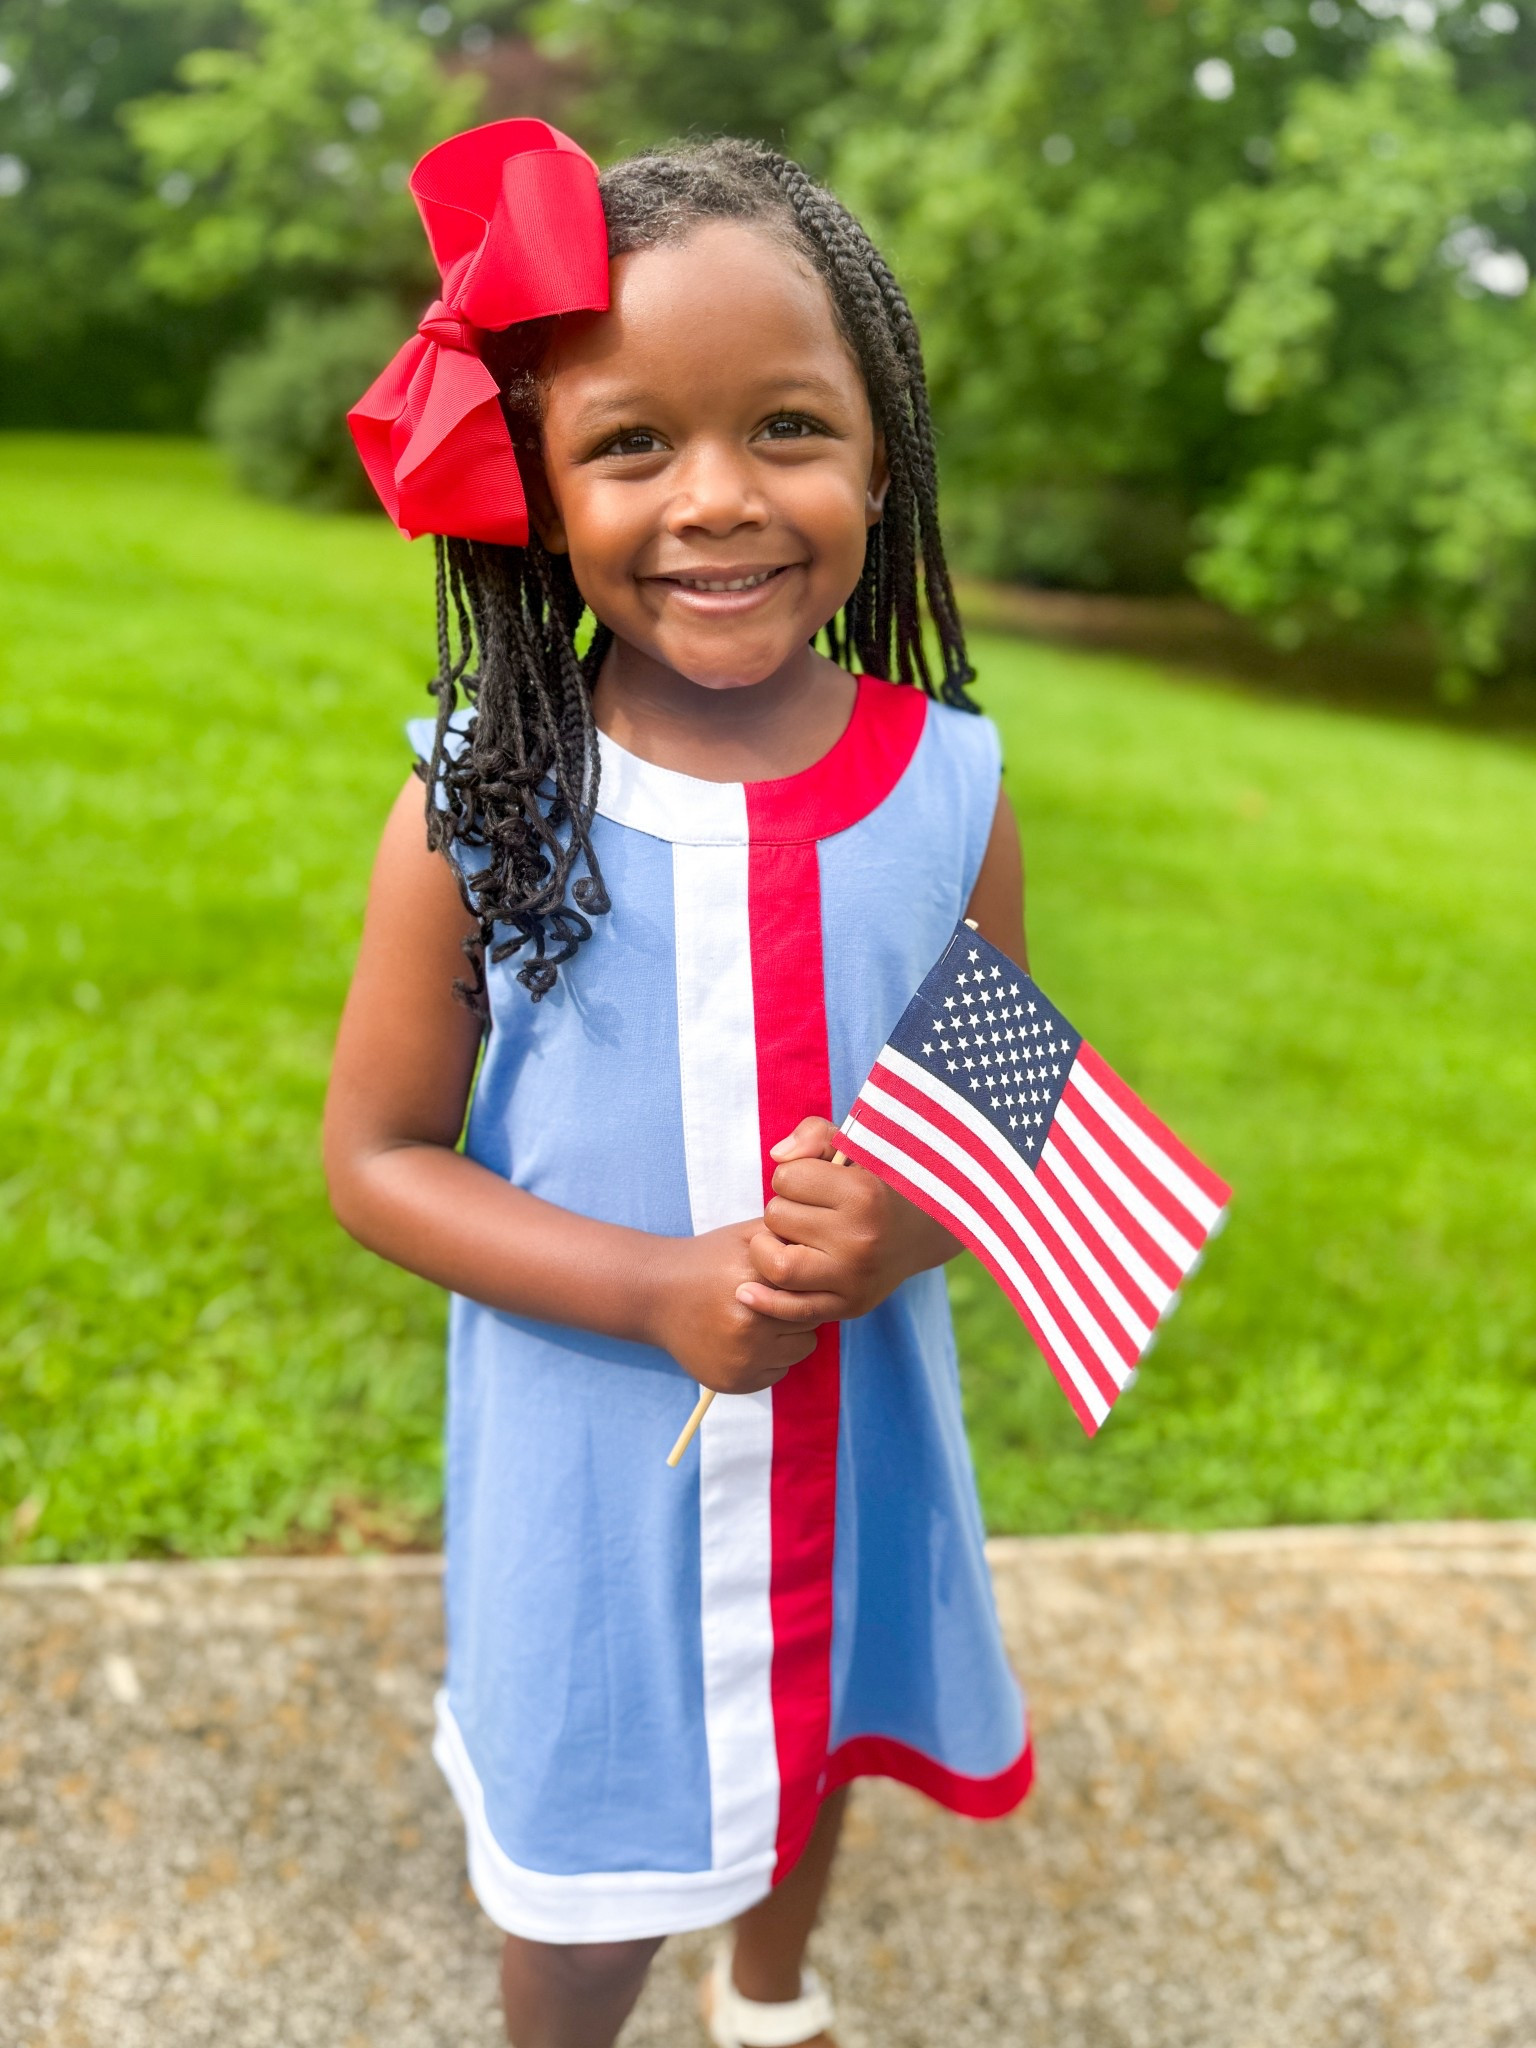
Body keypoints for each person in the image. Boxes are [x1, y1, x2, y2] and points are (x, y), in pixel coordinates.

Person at [324, 118, 1033, 2048]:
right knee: (592, 1840)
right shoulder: (480, 798)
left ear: (882, 459)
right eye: (633, 442)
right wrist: (653, 1288)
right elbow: (376, 1159)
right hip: (593, 1441)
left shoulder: (948, 780)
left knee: (824, 1712)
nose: (718, 498)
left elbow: (1003, 1107)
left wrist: (911, 1226)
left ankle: (776, 1992)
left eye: (789, 428)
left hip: (853, 1410)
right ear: (539, 496)